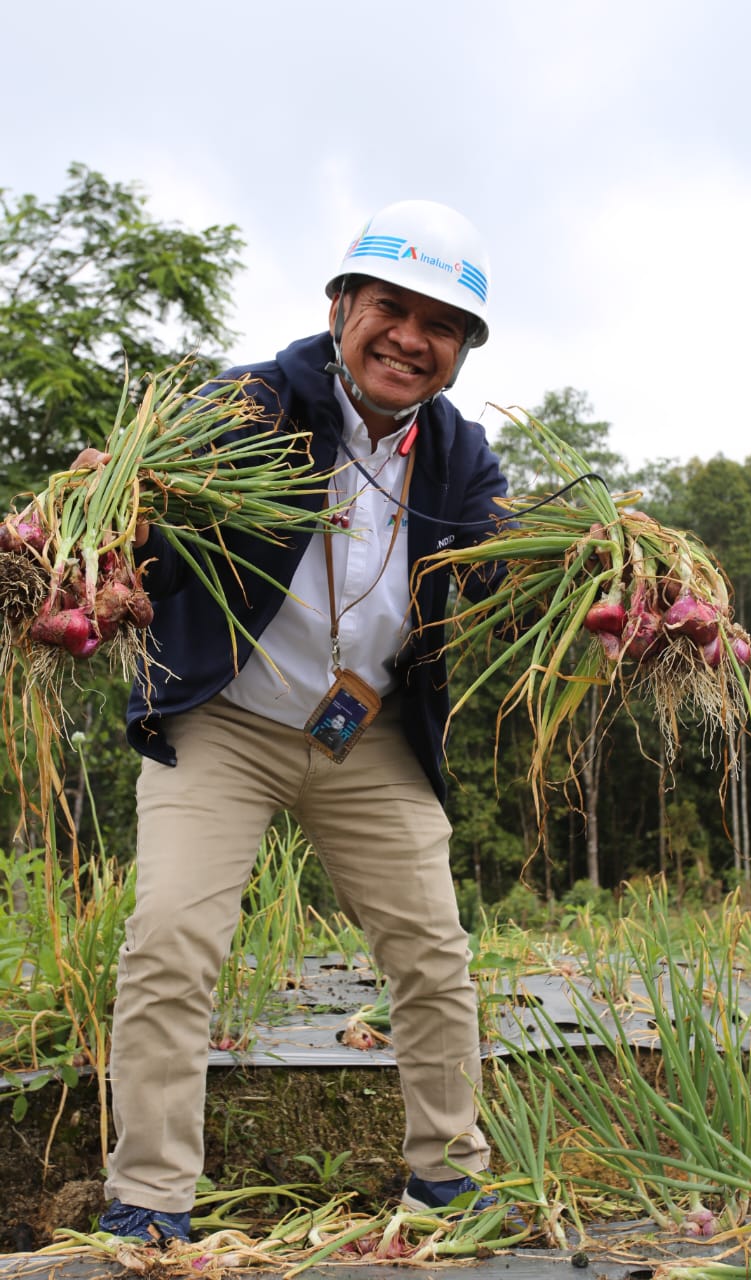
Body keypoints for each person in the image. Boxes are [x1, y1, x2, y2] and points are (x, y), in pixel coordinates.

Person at [98, 199, 510, 1245]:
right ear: (340, 306)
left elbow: (503, 553)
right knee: (172, 943)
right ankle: (149, 1200)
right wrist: (95, 546)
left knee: (431, 951)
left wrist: (605, 570)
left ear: (461, 350)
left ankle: (447, 1182)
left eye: (442, 324)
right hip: (226, 722)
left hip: (364, 733)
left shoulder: (458, 455)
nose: (411, 339)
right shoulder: (249, 404)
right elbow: (135, 502)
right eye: (390, 307)